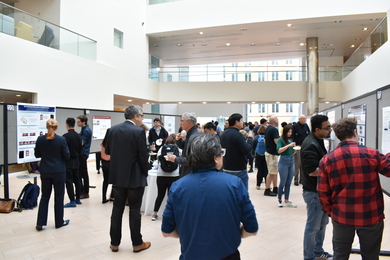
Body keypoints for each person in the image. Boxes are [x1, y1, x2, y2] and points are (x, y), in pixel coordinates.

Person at [161, 133, 258, 260]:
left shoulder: (177, 187)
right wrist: (232, 234)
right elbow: (251, 228)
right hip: (228, 255)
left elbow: (166, 231)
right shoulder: (234, 184)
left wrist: (190, 234)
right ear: (216, 158)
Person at [318, 117, 390, 260]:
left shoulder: (327, 160)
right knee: (370, 255)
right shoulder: (371, 154)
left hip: (342, 215)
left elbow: (323, 192)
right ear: (355, 132)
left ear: (338, 136)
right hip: (371, 215)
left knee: (340, 255)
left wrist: (331, 211)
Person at [105, 105, 151, 253]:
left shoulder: (112, 130)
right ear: (136, 116)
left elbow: (108, 151)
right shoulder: (138, 132)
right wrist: (146, 171)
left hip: (118, 177)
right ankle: (137, 244)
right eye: (142, 115)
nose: (142, 118)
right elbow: (143, 157)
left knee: (117, 210)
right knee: (134, 211)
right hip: (135, 177)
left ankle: (114, 243)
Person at [301, 114, 333, 260]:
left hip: (321, 191)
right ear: (317, 129)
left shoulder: (318, 140)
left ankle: (317, 251)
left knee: (322, 224)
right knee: (313, 227)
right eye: (327, 128)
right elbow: (312, 170)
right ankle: (309, 256)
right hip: (313, 192)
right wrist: (334, 170)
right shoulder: (310, 144)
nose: (330, 130)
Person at [35, 119, 70, 231]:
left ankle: (40, 223)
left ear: (46, 127)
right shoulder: (61, 140)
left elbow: (37, 154)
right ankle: (59, 222)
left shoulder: (40, 139)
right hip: (59, 171)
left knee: (45, 196)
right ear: (57, 128)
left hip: (45, 170)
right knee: (59, 197)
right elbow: (67, 155)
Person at [151, 133, 181, 221]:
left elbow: (158, 158)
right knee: (171, 195)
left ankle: (155, 214)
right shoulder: (177, 149)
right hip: (174, 175)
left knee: (160, 195)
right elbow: (182, 158)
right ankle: (170, 215)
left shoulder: (162, 148)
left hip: (161, 175)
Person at [220, 113, 253, 189]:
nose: (243, 122)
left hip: (226, 168)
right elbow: (246, 150)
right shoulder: (238, 135)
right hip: (239, 170)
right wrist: (250, 139)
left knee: (229, 193)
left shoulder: (224, 134)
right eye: (241, 120)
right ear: (236, 122)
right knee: (242, 194)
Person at [167, 112, 198, 177]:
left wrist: (176, 159)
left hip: (190, 172)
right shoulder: (191, 134)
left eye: (182, 121)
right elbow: (184, 147)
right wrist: (179, 140)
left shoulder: (194, 136)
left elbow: (192, 159)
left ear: (189, 122)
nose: (180, 123)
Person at [63, 117, 83, 208]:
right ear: (75, 125)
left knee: (69, 181)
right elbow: (80, 148)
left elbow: (64, 150)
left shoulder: (65, 137)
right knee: (77, 180)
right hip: (77, 160)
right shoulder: (79, 136)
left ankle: (72, 200)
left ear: (66, 125)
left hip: (69, 161)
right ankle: (78, 198)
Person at [276, 125, 297, 208]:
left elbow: (292, 152)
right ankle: (279, 199)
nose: (290, 133)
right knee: (283, 182)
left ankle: (287, 200)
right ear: (285, 132)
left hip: (291, 160)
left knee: (289, 182)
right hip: (283, 161)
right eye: (288, 132)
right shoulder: (280, 140)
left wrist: (295, 149)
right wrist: (289, 145)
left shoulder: (291, 140)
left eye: (291, 132)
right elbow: (279, 150)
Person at [292, 114, 310, 186]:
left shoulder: (306, 126)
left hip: (305, 146)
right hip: (298, 146)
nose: (305, 120)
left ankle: (302, 179)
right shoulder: (295, 126)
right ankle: (296, 179)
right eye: (303, 119)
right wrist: (294, 147)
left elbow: (308, 135)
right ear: (299, 119)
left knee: (303, 163)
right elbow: (293, 137)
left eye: (305, 118)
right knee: (297, 163)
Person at [77, 115, 92, 199]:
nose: (77, 123)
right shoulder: (83, 129)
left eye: (79, 122)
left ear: (83, 122)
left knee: (84, 173)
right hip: (82, 153)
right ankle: (81, 190)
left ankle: (85, 192)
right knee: (81, 173)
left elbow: (81, 143)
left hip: (83, 153)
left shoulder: (86, 131)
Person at [264, 115, 279, 196]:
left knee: (274, 172)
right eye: (277, 119)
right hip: (272, 153)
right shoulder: (273, 129)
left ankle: (275, 188)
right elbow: (276, 142)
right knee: (271, 172)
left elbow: (265, 141)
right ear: (275, 121)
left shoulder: (268, 129)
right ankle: (267, 189)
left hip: (269, 152)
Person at [253, 125, 268, 190]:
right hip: (266, 155)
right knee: (266, 170)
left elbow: (253, 146)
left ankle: (258, 185)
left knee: (259, 170)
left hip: (258, 155)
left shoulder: (256, 137)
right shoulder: (267, 137)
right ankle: (267, 184)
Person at [101, 128, 113, 204]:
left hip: (104, 162)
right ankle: (112, 196)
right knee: (115, 181)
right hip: (111, 162)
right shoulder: (113, 142)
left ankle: (104, 198)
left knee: (105, 181)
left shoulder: (103, 142)